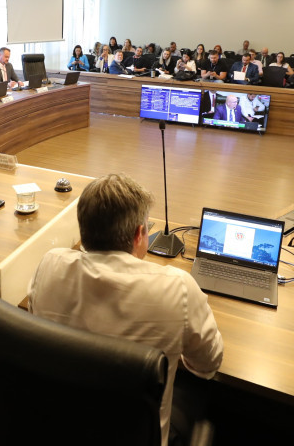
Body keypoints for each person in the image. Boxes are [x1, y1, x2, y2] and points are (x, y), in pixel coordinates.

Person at [27, 173, 223, 446]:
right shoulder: (178, 286)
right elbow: (208, 365)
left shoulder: (49, 265)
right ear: (139, 234)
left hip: (61, 427)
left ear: (83, 229)